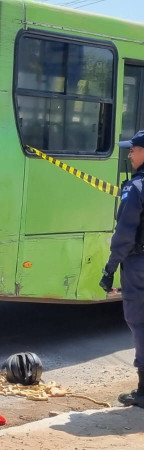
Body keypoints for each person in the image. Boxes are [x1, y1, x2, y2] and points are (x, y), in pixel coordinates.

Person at [100, 130, 144, 408]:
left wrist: (110, 269)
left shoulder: (136, 188)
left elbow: (124, 235)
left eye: (133, 150)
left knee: (139, 322)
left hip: (139, 265)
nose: (129, 155)